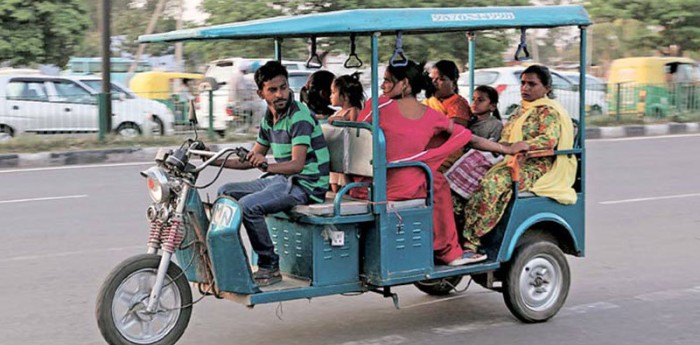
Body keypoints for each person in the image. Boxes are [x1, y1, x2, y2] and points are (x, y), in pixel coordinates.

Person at [352, 60, 527, 266]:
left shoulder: (378, 105)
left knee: (434, 179)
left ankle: (439, 245)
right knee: (439, 183)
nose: (383, 86)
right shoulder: (430, 115)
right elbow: (470, 138)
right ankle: (449, 251)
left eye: (388, 81)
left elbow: (355, 132)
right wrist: (507, 148)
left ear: (405, 84)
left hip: (363, 184)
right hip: (395, 184)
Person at [215, 61, 330, 286]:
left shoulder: (299, 117)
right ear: (261, 93)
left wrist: (266, 166)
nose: (280, 94)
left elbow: (296, 165)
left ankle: (269, 265)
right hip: (284, 179)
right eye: (273, 90)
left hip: (306, 184)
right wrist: (212, 161)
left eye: (283, 88)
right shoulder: (269, 118)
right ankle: (230, 257)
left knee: (249, 206)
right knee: (226, 192)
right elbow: (252, 158)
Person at [462, 65, 578, 260]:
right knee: (462, 177)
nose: (525, 88)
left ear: (547, 88)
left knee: (493, 184)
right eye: (523, 83)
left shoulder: (548, 111)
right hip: (508, 159)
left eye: (532, 84)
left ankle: (471, 241)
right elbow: (506, 136)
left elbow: (547, 140)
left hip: (534, 165)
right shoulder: (521, 109)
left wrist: (521, 146)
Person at [450, 85, 504, 233]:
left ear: (492, 106)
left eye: (481, 100)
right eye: (473, 99)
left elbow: (490, 150)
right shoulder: (468, 121)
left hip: (479, 166)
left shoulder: (495, 125)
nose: (475, 103)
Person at [423, 60, 472, 173]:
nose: (434, 83)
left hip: (449, 153)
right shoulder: (427, 102)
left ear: (453, 82)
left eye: (441, 79)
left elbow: (453, 131)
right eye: (432, 79)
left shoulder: (458, 103)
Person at [327, 73, 365, 192]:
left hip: (347, 150)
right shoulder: (337, 113)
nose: (330, 96)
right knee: (334, 176)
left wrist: (340, 121)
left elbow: (354, 126)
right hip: (336, 150)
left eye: (333, 93)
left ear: (346, 96)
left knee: (344, 175)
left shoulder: (352, 111)